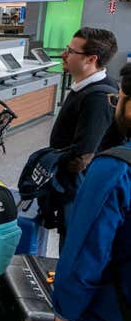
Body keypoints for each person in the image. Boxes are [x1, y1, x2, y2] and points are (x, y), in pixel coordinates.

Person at [52, 63, 131, 321]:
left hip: (114, 312)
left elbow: (89, 246)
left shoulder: (115, 168)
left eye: (118, 99)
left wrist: (66, 309)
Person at [49, 27, 118, 244]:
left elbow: (83, 156)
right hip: (72, 189)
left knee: (72, 242)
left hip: (79, 193)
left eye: (70, 51)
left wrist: (53, 161)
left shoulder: (98, 97)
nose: (64, 54)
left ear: (91, 59)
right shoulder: (85, 88)